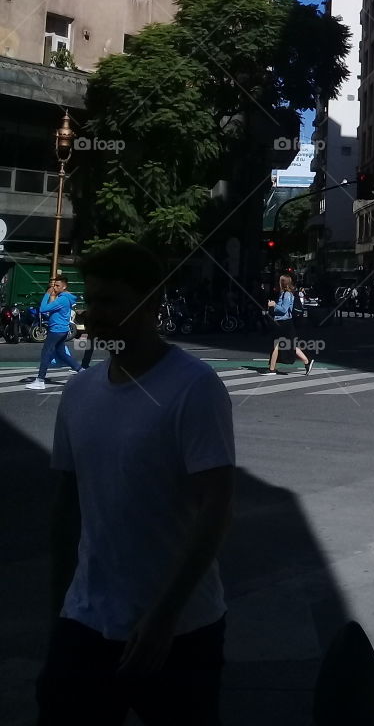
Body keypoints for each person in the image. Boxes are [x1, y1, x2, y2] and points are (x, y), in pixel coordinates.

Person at [37, 238, 235, 726]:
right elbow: (67, 505)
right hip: (85, 620)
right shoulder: (80, 392)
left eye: (110, 301)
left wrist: (166, 615)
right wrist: (61, 606)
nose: (94, 315)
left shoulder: (195, 387)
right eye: (91, 299)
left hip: (181, 628)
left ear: (150, 304)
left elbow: (215, 507)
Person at [27, 278, 82, 389]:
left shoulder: (62, 300)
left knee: (46, 353)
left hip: (56, 330)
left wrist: (47, 294)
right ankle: (81, 371)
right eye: (54, 285)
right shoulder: (65, 298)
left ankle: (40, 380)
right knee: (61, 353)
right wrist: (52, 295)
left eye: (57, 286)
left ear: (64, 287)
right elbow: (52, 308)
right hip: (62, 330)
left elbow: (43, 309)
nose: (54, 288)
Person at [266, 275, 313, 375]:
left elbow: (284, 309)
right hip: (283, 322)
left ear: (282, 283)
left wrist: (274, 305)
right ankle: (306, 361)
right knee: (288, 345)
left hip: (284, 323)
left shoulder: (287, 294)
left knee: (280, 345)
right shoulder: (284, 293)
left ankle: (272, 369)